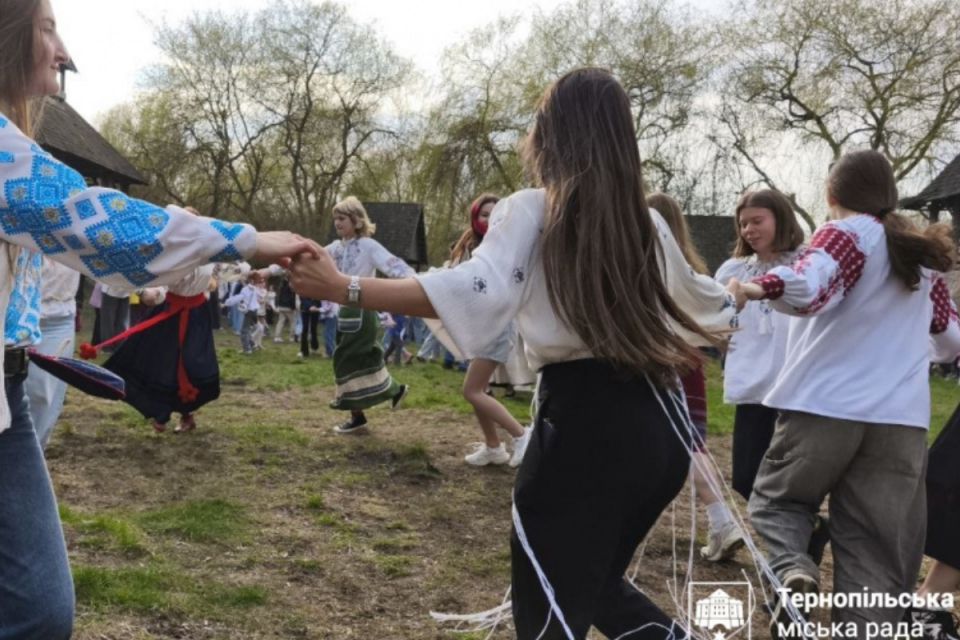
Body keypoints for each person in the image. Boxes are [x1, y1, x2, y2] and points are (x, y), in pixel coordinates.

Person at [287, 67, 735, 639]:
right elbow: (706, 300)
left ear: (549, 134)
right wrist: (763, 292)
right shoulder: (647, 222)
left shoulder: (532, 208)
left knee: (548, 605)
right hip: (661, 428)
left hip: (584, 424)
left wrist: (341, 288)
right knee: (592, 586)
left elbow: (476, 288)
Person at [0, 2, 316, 636]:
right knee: (37, 609)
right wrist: (245, 239)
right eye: (47, 28)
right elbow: (100, 223)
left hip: (9, 387)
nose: (62, 51)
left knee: (38, 608)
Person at [727, 150, 960, 638]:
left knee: (777, 502)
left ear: (833, 195)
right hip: (900, 424)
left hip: (823, 407)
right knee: (877, 553)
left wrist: (758, 287)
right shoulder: (921, 255)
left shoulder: (847, 231)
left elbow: (810, 282)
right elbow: (949, 340)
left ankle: (793, 568)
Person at [648, 191, 743, 562]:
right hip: (689, 368)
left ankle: (722, 522)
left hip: (657, 367)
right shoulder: (693, 273)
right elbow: (718, 326)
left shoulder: (644, 268)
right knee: (692, 446)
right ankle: (721, 520)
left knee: (676, 446)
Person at [714, 189, 805, 506]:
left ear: (779, 219)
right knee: (746, 479)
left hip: (794, 388)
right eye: (743, 224)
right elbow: (717, 322)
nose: (749, 230)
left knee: (788, 482)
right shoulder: (733, 271)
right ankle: (807, 532)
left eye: (757, 221)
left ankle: (795, 542)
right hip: (753, 388)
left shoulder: (805, 267)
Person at [449, 193, 530, 467]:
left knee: (471, 391)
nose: (489, 220)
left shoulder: (508, 248)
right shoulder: (470, 247)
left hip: (498, 326)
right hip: (478, 327)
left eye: (495, 215)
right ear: (475, 217)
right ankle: (493, 447)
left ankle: (521, 435)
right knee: (480, 390)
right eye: (484, 214)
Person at [323, 196, 411, 435]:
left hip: (361, 310)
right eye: (335, 219)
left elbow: (395, 266)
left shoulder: (369, 246)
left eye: (342, 218)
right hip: (346, 312)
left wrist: (422, 283)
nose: (337, 223)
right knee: (360, 359)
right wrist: (270, 269)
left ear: (356, 220)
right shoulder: (335, 248)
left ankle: (365, 410)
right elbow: (309, 258)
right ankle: (380, 400)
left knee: (344, 360)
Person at [23, 258, 78, 447]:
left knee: (43, 397)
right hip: (8, 309)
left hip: (56, 316)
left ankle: (29, 466)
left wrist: (143, 285)